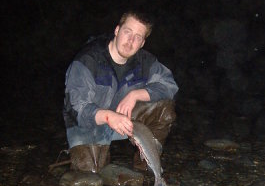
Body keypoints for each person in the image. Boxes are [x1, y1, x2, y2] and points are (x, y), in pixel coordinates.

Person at [63, 11, 179, 173]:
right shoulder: (87, 60)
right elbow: (76, 109)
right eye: (127, 32)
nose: (131, 41)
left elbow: (170, 85)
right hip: (89, 124)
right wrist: (108, 116)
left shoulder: (145, 62)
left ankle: (147, 165)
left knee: (164, 108)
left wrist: (136, 94)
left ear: (143, 43)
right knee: (91, 177)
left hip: (126, 121)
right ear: (117, 30)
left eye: (138, 37)